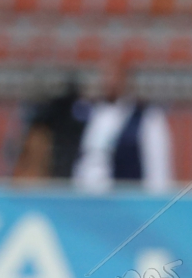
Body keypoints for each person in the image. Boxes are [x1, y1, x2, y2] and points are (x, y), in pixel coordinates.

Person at [73, 62, 174, 193]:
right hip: (91, 197)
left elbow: (158, 167)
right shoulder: (95, 115)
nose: (110, 83)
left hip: (129, 197)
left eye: (114, 78)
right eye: (106, 77)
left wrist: (157, 198)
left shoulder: (147, 118)